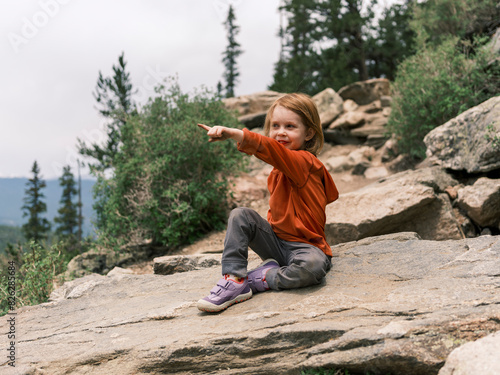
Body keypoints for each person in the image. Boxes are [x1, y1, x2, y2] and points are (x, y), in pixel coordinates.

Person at [197, 93, 339, 313]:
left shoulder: (305, 162)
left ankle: (262, 277)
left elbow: (272, 151)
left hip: (304, 248)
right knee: (240, 215)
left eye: (290, 126)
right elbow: (276, 154)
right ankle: (234, 279)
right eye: (275, 125)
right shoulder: (279, 169)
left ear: (309, 133)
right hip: (274, 242)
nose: (281, 132)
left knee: (313, 268)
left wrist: (236, 134)